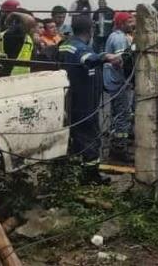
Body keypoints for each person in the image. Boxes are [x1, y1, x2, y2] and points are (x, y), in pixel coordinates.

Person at [57, 15, 121, 183]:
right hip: (84, 104)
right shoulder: (79, 49)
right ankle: (91, 177)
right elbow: (88, 60)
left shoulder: (65, 46)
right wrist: (107, 57)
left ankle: (75, 173)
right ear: (91, 30)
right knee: (90, 139)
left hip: (70, 101)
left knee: (77, 138)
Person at [103, 12, 135, 162]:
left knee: (117, 115)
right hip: (119, 82)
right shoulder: (120, 38)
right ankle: (119, 149)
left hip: (113, 81)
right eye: (129, 21)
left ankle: (115, 146)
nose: (132, 24)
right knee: (123, 114)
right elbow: (121, 61)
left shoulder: (113, 36)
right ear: (121, 23)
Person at [0, 11, 35, 76]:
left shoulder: (28, 38)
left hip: (22, 79)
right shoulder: (5, 36)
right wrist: (14, 14)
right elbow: (30, 21)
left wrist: (14, 14)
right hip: (2, 78)